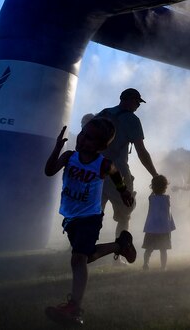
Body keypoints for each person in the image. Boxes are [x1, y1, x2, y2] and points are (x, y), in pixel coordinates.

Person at [43, 118, 137, 326]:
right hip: (71, 218)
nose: (83, 139)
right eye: (83, 134)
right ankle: (120, 245)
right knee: (85, 256)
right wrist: (57, 148)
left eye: (90, 138)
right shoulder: (69, 157)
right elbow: (49, 171)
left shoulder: (103, 164)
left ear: (102, 146)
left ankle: (74, 308)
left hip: (91, 217)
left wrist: (124, 192)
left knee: (78, 260)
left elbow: (116, 175)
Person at [97, 88, 159, 240]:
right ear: (130, 100)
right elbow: (141, 152)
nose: (138, 106)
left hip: (96, 170)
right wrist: (155, 175)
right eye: (137, 102)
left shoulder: (103, 113)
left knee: (94, 213)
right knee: (125, 214)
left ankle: (81, 249)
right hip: (118, 172)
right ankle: (119, 255)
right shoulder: (132, 119)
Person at [142, 174, 175, 271]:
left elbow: (152, 195)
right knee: (163, 249)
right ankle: (163, 267)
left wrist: (154, 189)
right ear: (165, 187)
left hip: (152, 228)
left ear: (152, 187)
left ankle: (145, 264)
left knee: (148, 248)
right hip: (164, 228)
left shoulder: (151, 198)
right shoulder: (167, 198)